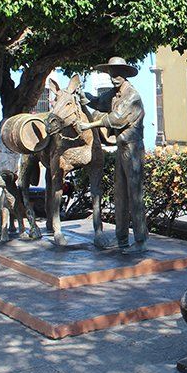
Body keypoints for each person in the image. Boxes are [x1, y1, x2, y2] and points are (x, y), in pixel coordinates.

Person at [76, 57, 148, 253]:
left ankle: (141, 241)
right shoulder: (114, 95)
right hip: (121, 149)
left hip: (133, 150)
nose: (113, 77)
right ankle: (122, 238)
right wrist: (85, 96)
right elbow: (99, 102)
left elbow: (116, 119)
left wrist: (90, 125)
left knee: (135, 196)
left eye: (117, 73)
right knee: (120, 195)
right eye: (111, 73)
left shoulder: (132, 96)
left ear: (125, 74)